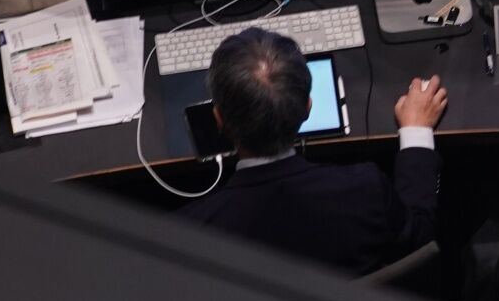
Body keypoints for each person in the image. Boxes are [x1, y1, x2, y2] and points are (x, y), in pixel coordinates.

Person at [184, 26, 448, 275]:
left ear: (218, 118)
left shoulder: (191, 232)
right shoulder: (365, 191)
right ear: (307, 108)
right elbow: (420, 239)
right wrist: (416, 131)